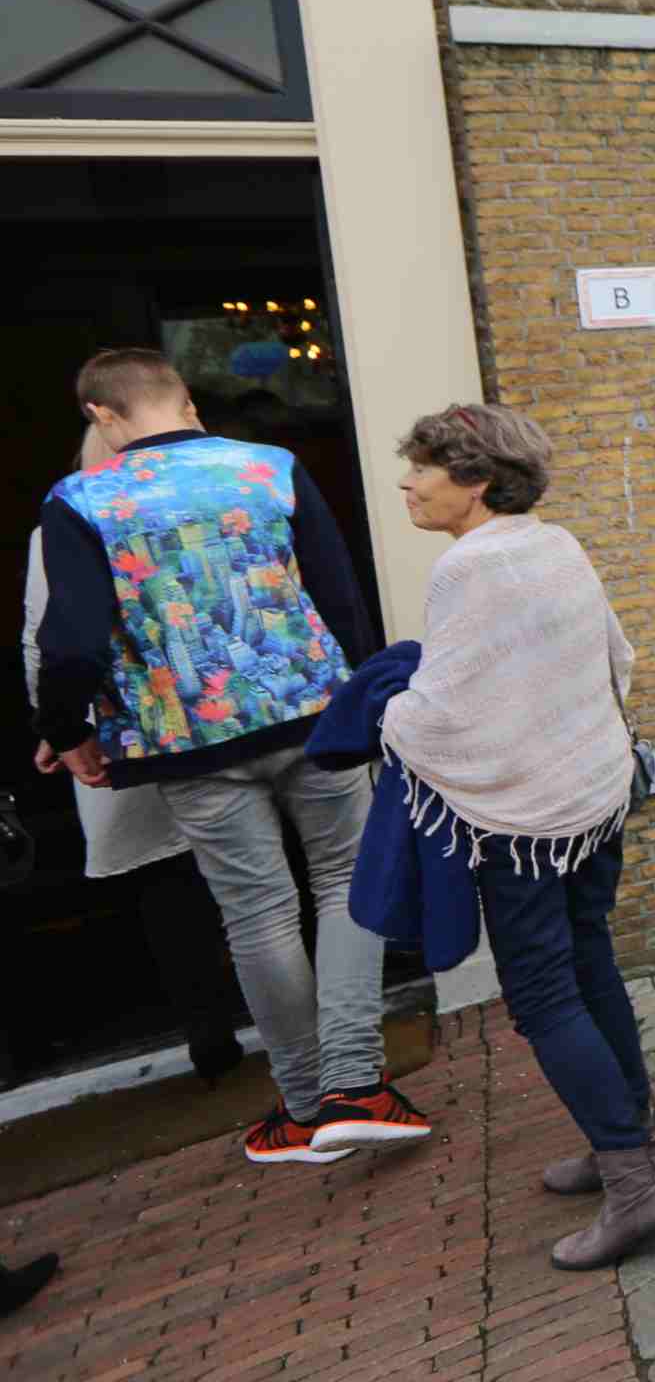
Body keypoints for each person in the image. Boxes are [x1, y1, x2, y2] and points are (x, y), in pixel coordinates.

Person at [31, 348, 410, 1166]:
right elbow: (339, 594)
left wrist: (64, 730)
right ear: (187, 402)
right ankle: (357, 1084)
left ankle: (305, 1105)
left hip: (188, 740)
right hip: (313, 713)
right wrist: (367, 697)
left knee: (258, 913)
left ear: (101, 415)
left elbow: (71, 641)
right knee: (346, 882)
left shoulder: (80, 500)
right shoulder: (271, 468)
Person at [362, 402, 655, 1266]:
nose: (407, 484)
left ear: (474, 480)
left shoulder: (467, 568)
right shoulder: (555, 543)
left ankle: (635, 1186)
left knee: (542, 996)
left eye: (423, 468)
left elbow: (441, 713)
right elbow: (616, 658)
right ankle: (628, 1138)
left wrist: (383, 709)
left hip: (523, 822)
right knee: (590, 961)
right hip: (594, 792)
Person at [23, 425, 243, 1087]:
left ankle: (212, 1035)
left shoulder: (61, 527)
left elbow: (45, 639)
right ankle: (293, 1020)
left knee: (169, 885)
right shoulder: (216, 501)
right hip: (221, 710)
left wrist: (60, 726)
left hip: (128, 725)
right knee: (247, 869)